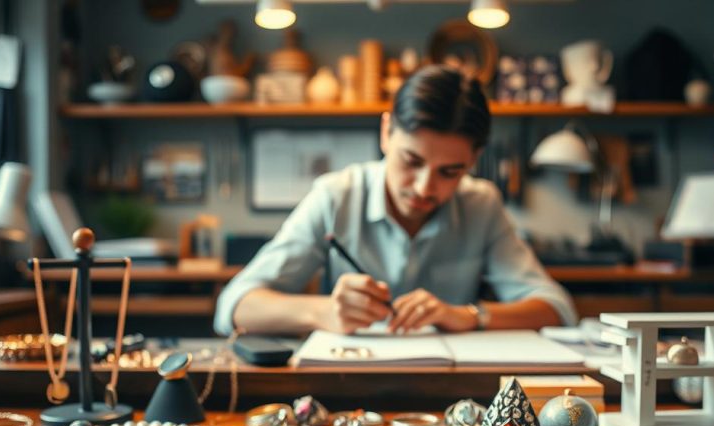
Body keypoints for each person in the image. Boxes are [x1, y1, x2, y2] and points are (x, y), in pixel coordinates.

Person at [214, 65, 576, 336]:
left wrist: (467, 316)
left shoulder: (481, 205)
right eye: (411, 161)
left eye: (450, 172)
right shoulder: (336, 196)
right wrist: (323, 312)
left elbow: (558, 309)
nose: (423, 188)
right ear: (387, 132)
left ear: (474, 159)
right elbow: (233, 306)